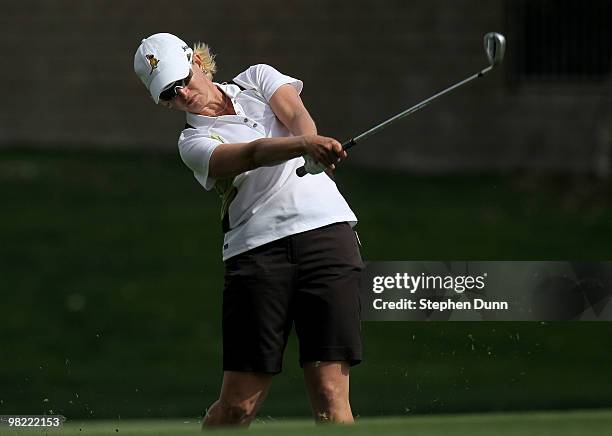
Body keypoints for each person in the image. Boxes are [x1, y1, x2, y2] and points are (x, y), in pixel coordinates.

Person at [133, 33, 363, 427]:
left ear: (198, 62)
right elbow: (252, 154)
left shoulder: (257, 78)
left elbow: (296, 115)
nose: (183, 94)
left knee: (331, 399)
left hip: (326, 235)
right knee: (238, 407)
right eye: (170, 93)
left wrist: (310, 140)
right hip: (257, 254)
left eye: (183, 79)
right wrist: (305, 145)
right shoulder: (193, 141)